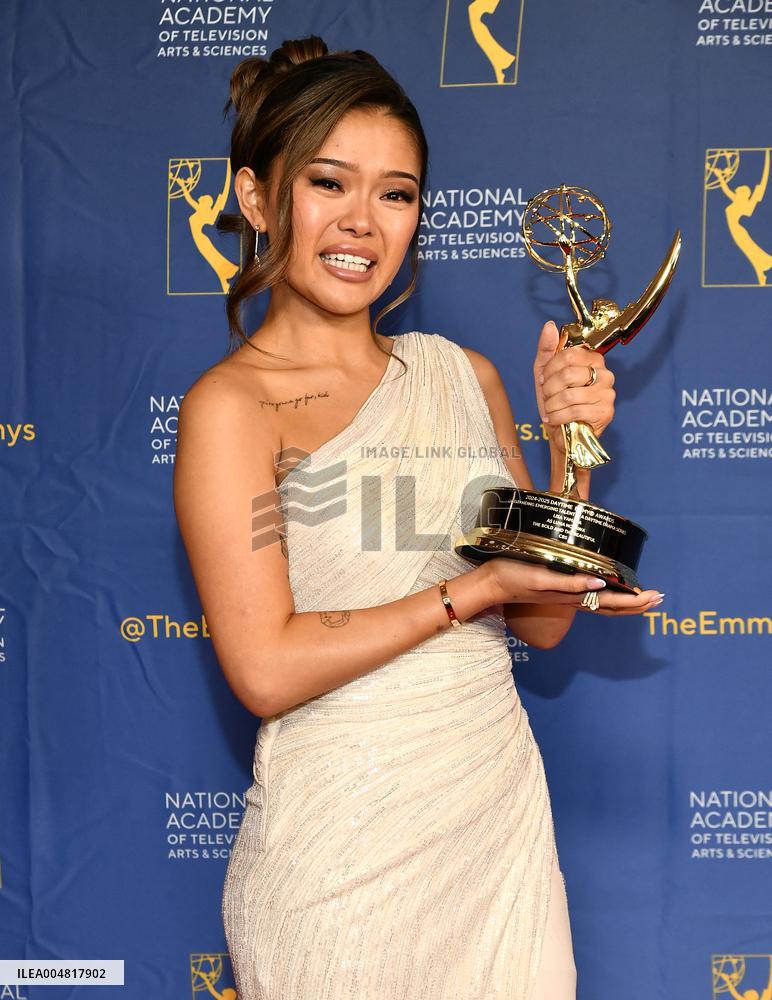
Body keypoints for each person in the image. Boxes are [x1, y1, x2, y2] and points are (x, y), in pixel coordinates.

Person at [172, 35, 664, 1000]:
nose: (363, 221)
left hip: (493, 832)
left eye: (396, 193)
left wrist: (571, 445)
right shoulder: (231, 408)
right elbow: (264, 669)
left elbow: (544, 622)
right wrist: (470, 587)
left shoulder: (461, 375)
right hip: (338, 860)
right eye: (329, 183)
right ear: (257, 198)